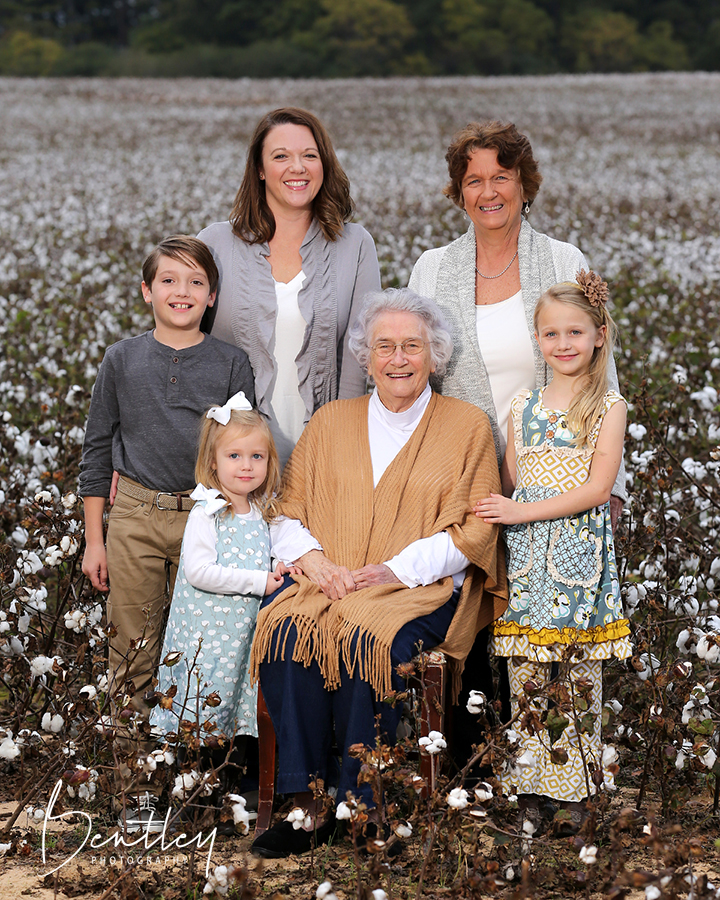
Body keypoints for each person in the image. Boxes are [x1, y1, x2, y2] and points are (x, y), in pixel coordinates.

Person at [248, 288, 507, 859]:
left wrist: (391, 570)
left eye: (412, 346)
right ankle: (305, 804)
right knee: (287, 631)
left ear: (434, 356)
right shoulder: (330, 421)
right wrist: (317, 564)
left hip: (420, 588)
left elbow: (473, 531)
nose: (398, 358)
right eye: (384, 346)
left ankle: (363, 805)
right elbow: (288, 511)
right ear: (365, 356)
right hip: (327, 578)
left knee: (373, 638)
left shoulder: (466, 427)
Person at [408, 119, 627, 755]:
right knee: (474, 613)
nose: (488, 191)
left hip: (556, 471)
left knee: (550, 620)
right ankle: (480, 759)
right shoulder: (433, 268)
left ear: (524, 184)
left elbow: (602, 367)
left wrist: (613, 488)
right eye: (473, 180)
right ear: (458, 192)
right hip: (468, 466)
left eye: (501, 177)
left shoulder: (563, 260)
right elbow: (421, 369)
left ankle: (558, 761)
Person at [78, 235, 255, 833]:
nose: (182, 292)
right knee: (133, 653)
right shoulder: (121, 358)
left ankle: (198, 786)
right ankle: (135, 787)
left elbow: (242, 451)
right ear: (147, 290)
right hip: (133, 517)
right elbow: (98, 448)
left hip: (207, 519)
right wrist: (94, 538)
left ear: (211, 298)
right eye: (170, 281)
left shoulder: (230, 363)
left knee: (203, 657)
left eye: (196, 283)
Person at [474, 271, 631, 834]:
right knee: (528, 677)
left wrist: (520, 511)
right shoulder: (523, 404)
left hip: (578, 552)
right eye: (551, 334)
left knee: (579, 677)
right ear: (537, 341)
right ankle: (532, 793)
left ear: (598, 335)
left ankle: (580, 793)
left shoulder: (608, 405)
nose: (563, 344)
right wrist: (502, 508)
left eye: (575, 332)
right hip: (528, 558)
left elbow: (596, 489)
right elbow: (513, 476)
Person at [199, 106, 381, 467]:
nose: (297, 168)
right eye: (281, 156)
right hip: (233, 462)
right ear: (261, 170)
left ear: (324, 165)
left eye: (309, 156)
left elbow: (358, 358)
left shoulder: (356, 245)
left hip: (323, 455)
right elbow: (181, 346)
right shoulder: (215, 243)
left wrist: (338, 448)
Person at [152, 393, 292, 830]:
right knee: (199, 712)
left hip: (239, 641)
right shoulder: (207, 512)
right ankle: (182, 803)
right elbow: (198, 571)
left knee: (229, 712)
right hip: (203, 638)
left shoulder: (262, 514)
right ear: (213, 463)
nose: (246, 466)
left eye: (257, 456)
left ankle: (220, 802)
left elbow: (258, 560)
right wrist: (258, 581)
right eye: (234, 455)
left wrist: (276, 567)